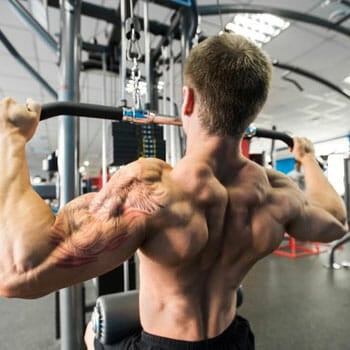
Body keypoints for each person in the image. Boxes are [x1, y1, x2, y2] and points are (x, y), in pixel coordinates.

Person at [0, 33, 347, 350]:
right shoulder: (276, 192)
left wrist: (10, 140)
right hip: (234, 340)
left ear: (188, 100)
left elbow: (20, 273)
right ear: (253, 113)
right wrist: (308, 160)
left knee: (92, 335)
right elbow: (336, 221)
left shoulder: (153, 187)